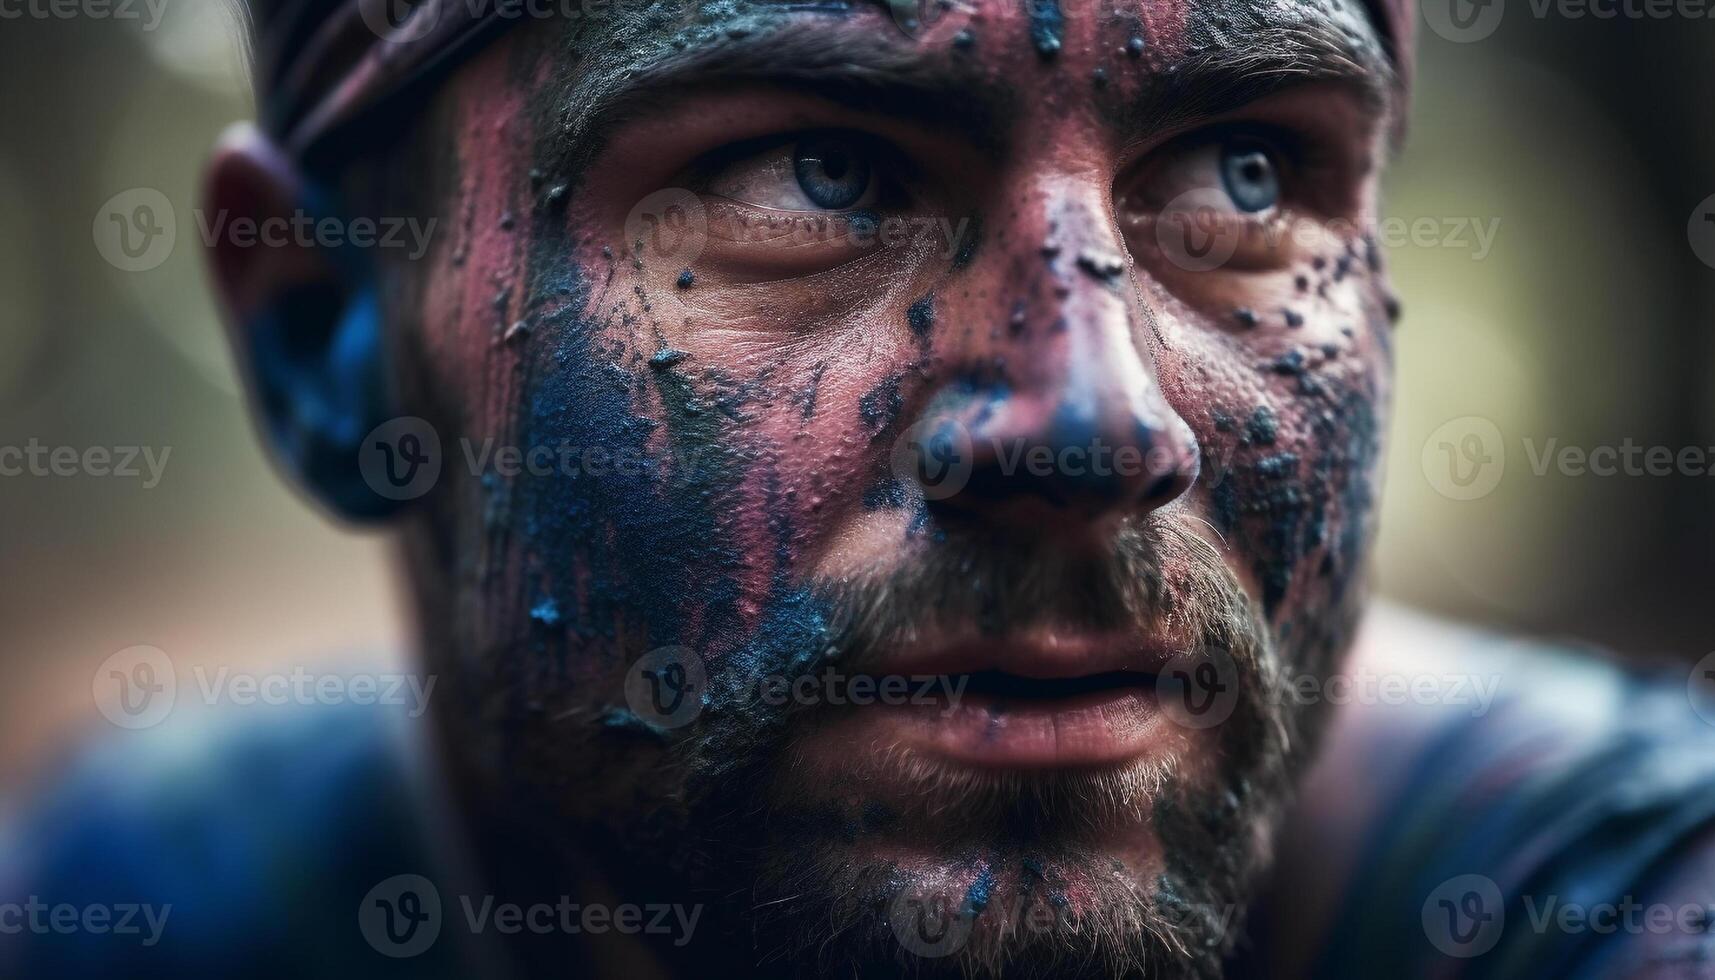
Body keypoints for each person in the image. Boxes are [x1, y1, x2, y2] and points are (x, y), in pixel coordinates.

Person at [6, 0, 1715, 976]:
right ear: (324, 337)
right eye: (817, 173)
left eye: (1238, 168)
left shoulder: (1621, 896)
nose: (1097, 424)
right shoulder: (153, 901)